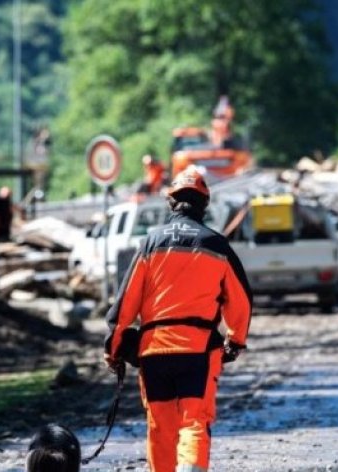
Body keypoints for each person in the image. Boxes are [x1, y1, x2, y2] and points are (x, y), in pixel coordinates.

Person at [104, 166, 252, 472]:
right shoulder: (216, 245)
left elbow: (125, 304)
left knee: (160, 427)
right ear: (204, 206)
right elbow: (241, 301)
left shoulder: (150, 242)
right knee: (194, 422)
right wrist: (234, 341)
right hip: (198, 351)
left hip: (154, 352)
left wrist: (113, 348)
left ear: (171, 203)